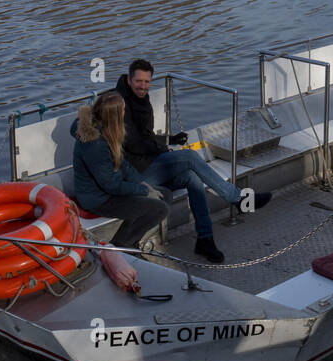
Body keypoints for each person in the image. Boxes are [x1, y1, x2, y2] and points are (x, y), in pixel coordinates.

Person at [115, 59, 271, 264]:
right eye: (139, 81)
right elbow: (134, 144)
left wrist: (169, 140)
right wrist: (164, 150)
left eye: (147, 82)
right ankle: (237, 198)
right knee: (188, 157)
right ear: (129, 79)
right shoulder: (119, 104)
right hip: (133, 174)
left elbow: (147, 137)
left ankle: (205, 239)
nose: (143, 86)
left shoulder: (140, 99)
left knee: (192, 178)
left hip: (148, 165)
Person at [70, 92, 170, 252]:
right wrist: (144, 191)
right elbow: (111, 185)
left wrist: (142, 184)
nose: (125, 112)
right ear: (115, 116)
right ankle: (123, 246)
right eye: (123, 110)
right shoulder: (95, 144)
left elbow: (123, 165)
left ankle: (128, 240)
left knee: (164, 194)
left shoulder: (105, 130)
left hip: (110, 191)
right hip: (99, 199)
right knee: (160, 208)